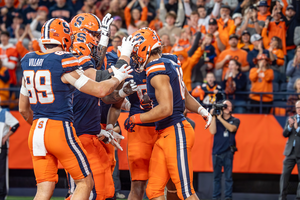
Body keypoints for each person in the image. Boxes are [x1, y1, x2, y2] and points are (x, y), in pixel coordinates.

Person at [18, 18, 133, 200]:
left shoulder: (28, 60)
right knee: (85, 183)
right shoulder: (64, 61)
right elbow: (100, 89)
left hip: (36, 132)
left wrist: (42, 123)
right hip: (59, 128)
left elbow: (23, 109)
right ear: (65, 37)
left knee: (43, 191)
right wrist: (117, 77)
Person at [124, 27, 212, 200]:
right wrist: (202, 110)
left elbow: (166, 109)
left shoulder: (156, 70)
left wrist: (136, 118)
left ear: (144, 48)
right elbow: (184, 94)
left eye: (136, 51)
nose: (134, 56)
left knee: (186, 192)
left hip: (175, 130)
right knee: (154, 190)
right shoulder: (171, 61)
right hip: (165, 133)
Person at [209, 100, 240, 200]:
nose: (226, 107)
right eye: (224, 106)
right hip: (216, 153)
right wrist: (213, 117)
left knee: (228, 178)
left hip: (228, 152)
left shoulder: (235, 120)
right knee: (216, 178)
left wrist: (220, 118)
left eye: (228, 106)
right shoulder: (216, 119)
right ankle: (215, 197)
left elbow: (232, 129)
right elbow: (212, 131)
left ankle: (228, 197)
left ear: (231, 108)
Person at [279, 100, 300, 200]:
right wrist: (290, 126)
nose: (299, 109)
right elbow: (284, 134)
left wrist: (297, 128)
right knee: (284, 176)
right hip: (290, 152)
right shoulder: (291, 119)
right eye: (297, 107)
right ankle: (282, 197)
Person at [0, 108, 19, 200]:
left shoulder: (3, 113)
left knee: (1, 173)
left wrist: (6, 136)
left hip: (1, 148)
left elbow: (16, 124)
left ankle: (2, 195)